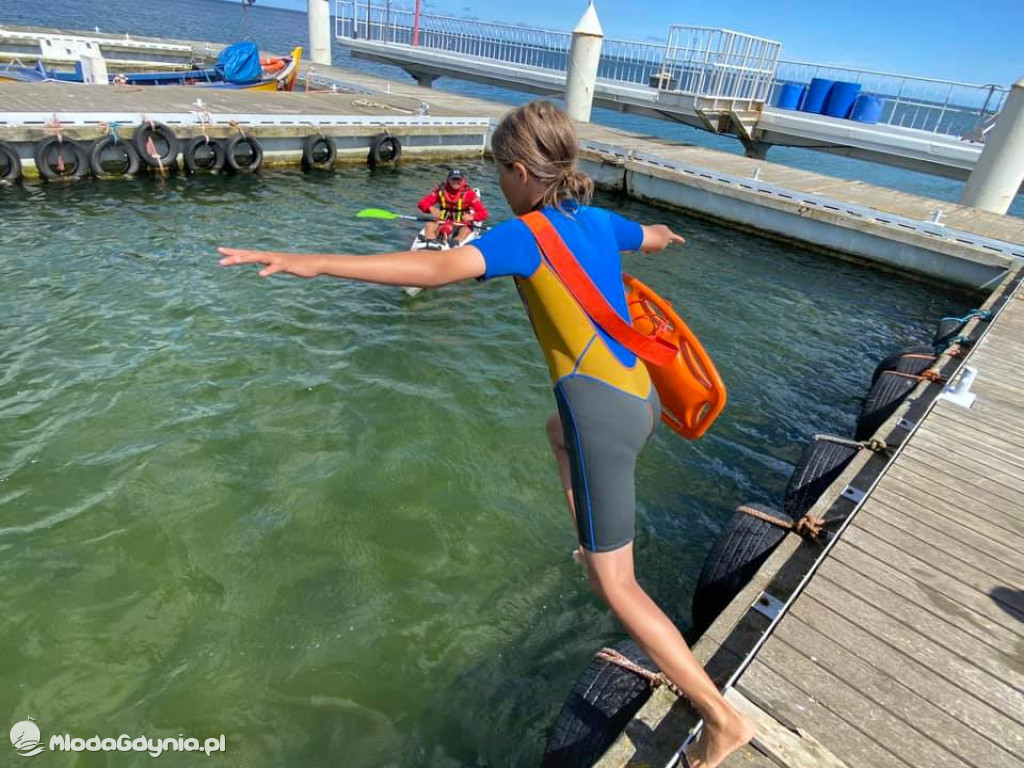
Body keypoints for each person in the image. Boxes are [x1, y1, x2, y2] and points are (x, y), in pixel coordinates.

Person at [217, 100, 753, 768]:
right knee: (554, 432)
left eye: (501, 170)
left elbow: (435, 270)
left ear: (523, 171)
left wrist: (313, 261)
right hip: (641, 397)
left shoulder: (524, 234)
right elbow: (643, 235)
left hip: (604, 422)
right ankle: (591, 546)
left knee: (619, 585)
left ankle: (721, 717)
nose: (499, 182)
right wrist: (664, 235)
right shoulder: (594, 219)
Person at [417, 169, 488, 245]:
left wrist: (472, 216)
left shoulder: (469, 194)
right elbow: (422, 203)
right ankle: (430, 243)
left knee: (465, 230)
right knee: (429, 225)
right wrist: (431, 208)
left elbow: (483, 213)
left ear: (462, 180)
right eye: (453, 179)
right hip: (443, 221)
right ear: (448, 180)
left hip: (462, 224)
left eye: (458, 180)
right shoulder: (440, 191)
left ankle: (455, 243)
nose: (456, 182)